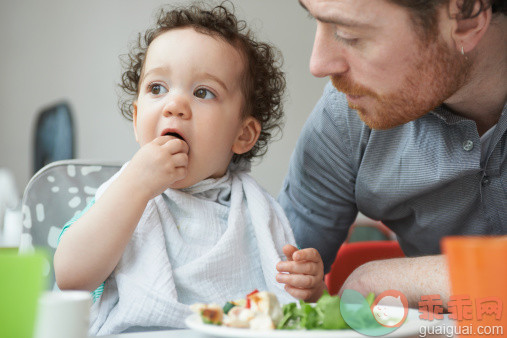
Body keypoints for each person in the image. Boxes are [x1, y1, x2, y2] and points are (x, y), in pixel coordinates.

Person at [54, 3, 325, 335]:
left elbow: (287, 310)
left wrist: (309, 289)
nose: (175, 105)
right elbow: (70, 276)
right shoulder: (125, 194)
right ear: (137, 120)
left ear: (243, 135)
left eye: (202, 92)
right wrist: (136, 187)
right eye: (157, 88)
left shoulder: (256, 210)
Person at [277, 0, 506, 308]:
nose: (318, 64)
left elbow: (368, 287)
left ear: (465, 17)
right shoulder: (344, 117)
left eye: (348, 33)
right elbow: (269, 288)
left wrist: (377, 280)